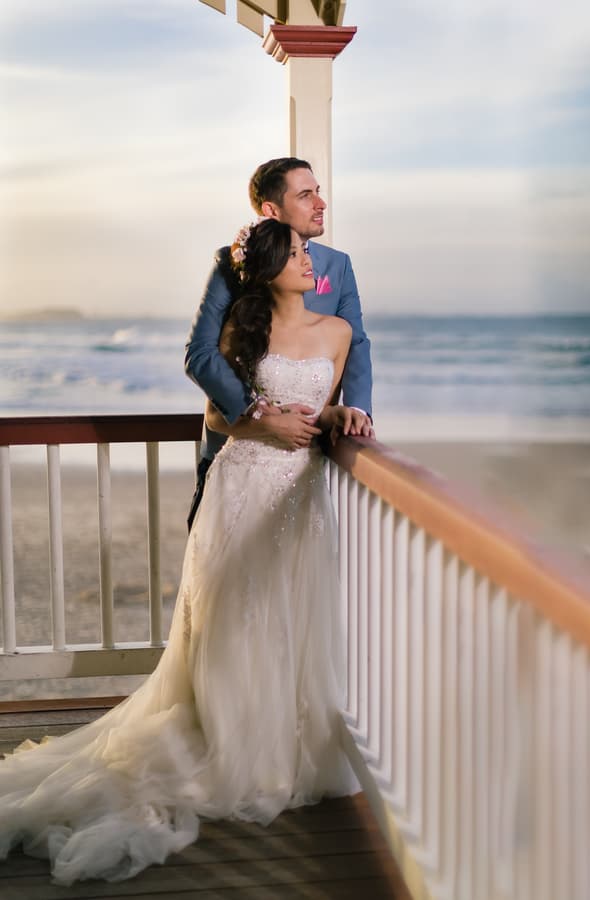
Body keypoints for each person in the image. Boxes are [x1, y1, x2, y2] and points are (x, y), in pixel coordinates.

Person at [0, 219, 366, 886]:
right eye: (301, 252)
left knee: (293, 617)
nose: (314, 259)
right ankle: (234, 751)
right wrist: (262, 416)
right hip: (241, 484)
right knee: (231, 621)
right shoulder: (243, 332)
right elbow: (218, 417)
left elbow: (330, 410)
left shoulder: (338, 334)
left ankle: (284, 748)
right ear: (271, 266)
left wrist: (340, 417)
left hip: (301, 497)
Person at [185, 156, 373, 530]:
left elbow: (357, 346)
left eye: (318, 193)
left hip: (304, 456)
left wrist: (356, 416)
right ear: (271, 210)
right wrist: (260, 417)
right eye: (306, 195)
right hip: (234, 449)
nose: (321, 204)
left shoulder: (337, 266)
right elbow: (202, 355)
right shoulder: (232, 263)